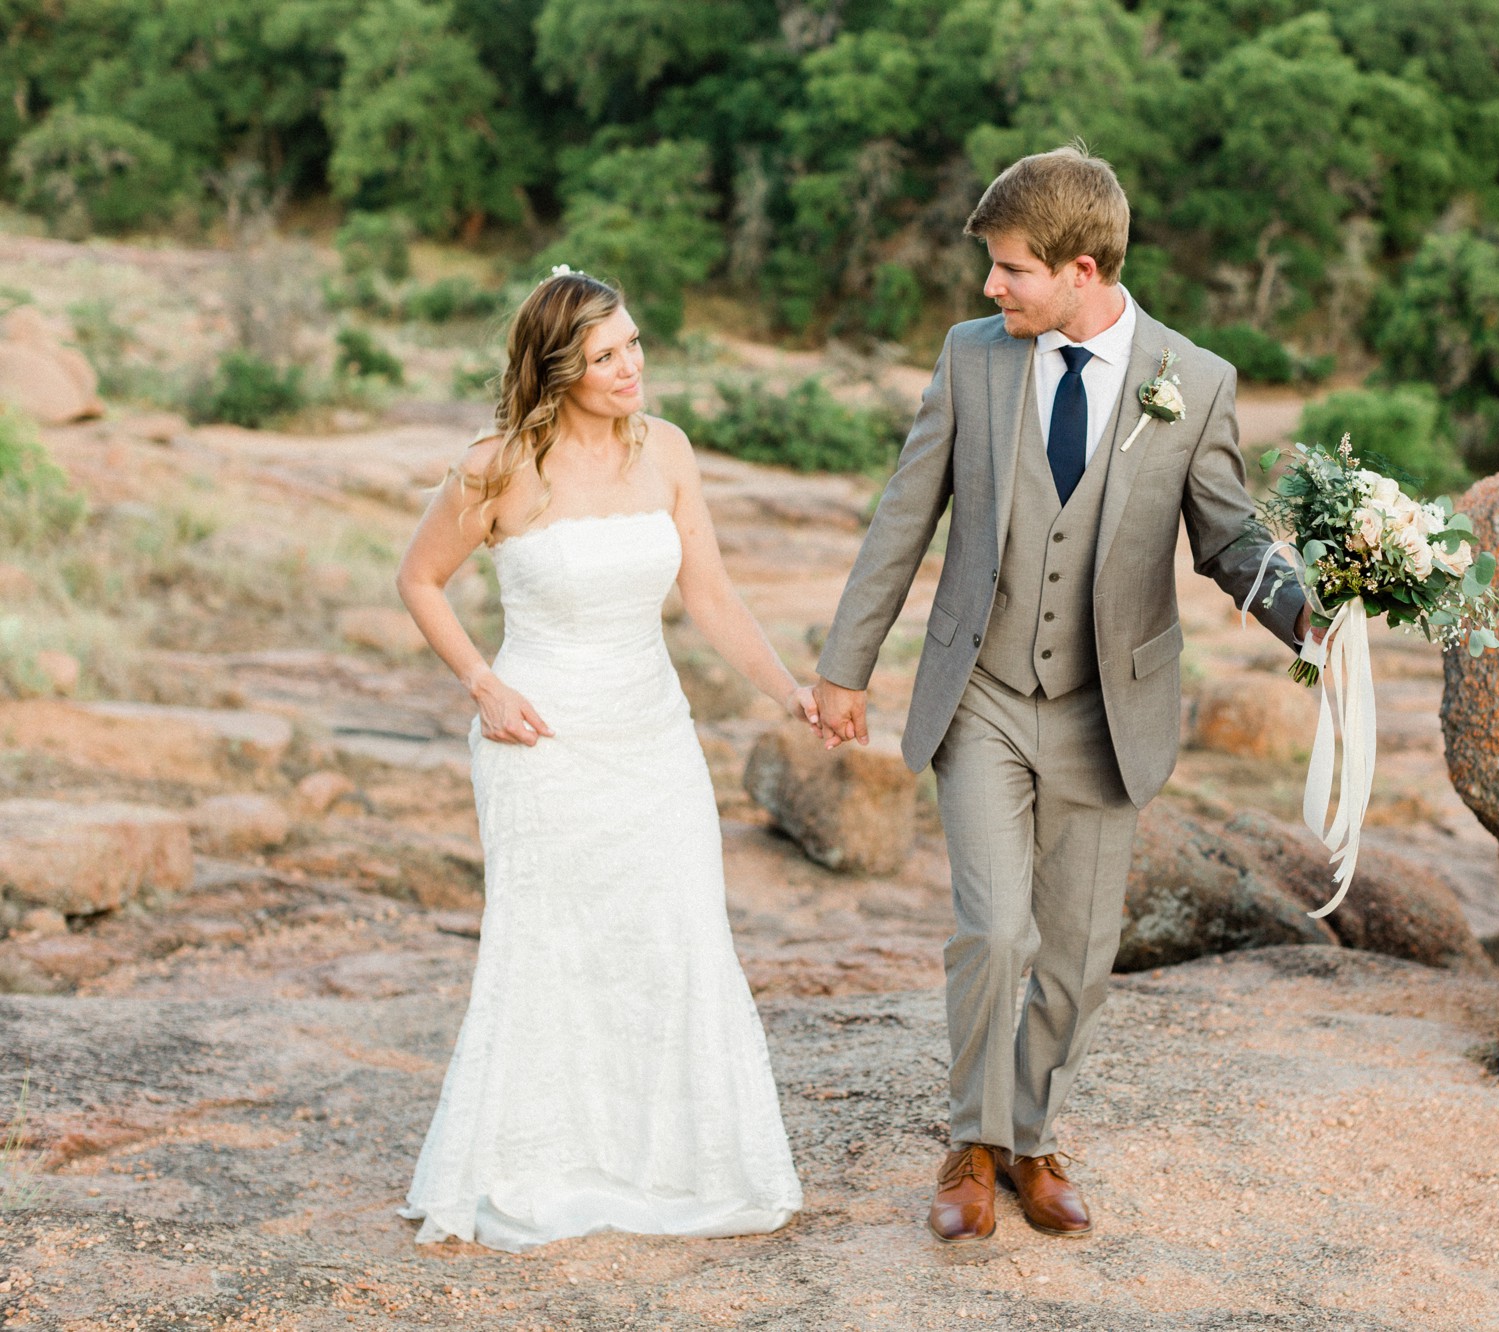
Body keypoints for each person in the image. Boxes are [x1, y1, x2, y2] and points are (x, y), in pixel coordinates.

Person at [812, 145, 1312, 1243]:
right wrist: (844, 666)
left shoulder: (1198, 380)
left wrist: (1314, 613)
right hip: (981, 690)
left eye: (1009, 271)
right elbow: (905, 515)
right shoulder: (972, 359)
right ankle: (967, 1145)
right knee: (995, 934)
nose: (991, 289)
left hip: (1104, 707)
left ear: (1080, 271)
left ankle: (1029, 1142)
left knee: (1077, 957)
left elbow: (1226, 539)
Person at [393, 269, 811, 1251]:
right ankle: (537, 1166)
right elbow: (418, 580)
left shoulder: (664, 450)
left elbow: (708, 595)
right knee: (550, 946)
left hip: (652, 737)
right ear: (557, 368)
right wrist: (481, 684)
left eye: (632, 345)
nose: (630, 367)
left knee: (673, 937)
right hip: (538, 740)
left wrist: (788, 691)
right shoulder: (495, 466)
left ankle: (671, 1166)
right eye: (605, 355)